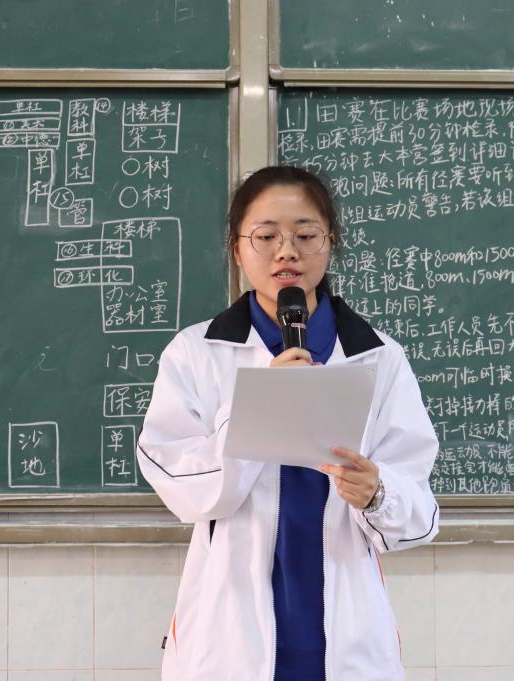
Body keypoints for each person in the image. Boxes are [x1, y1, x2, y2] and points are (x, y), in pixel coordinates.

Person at [137, 166, 439, 681]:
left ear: (330, 241)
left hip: (347, 636)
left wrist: (377, 493)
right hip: (228, 635)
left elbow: (418, 515)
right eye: (266, 236)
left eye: (305, 235)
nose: (286, 252)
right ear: (237, 249)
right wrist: (257, 408)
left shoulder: (379, 358)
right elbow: (179, 485)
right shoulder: (197, 354)